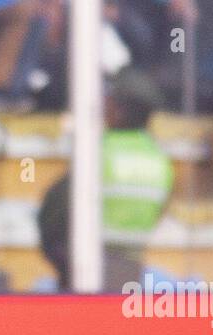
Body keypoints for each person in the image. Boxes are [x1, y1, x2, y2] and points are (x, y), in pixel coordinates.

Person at [38, 70, 173, 290]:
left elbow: (56, 210)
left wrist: (56, 252)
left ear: (118, 110)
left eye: (108, 100)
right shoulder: (160, 159)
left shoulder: (98, 151)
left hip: (87, 266)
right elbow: (160, 210)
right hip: (131, 268)